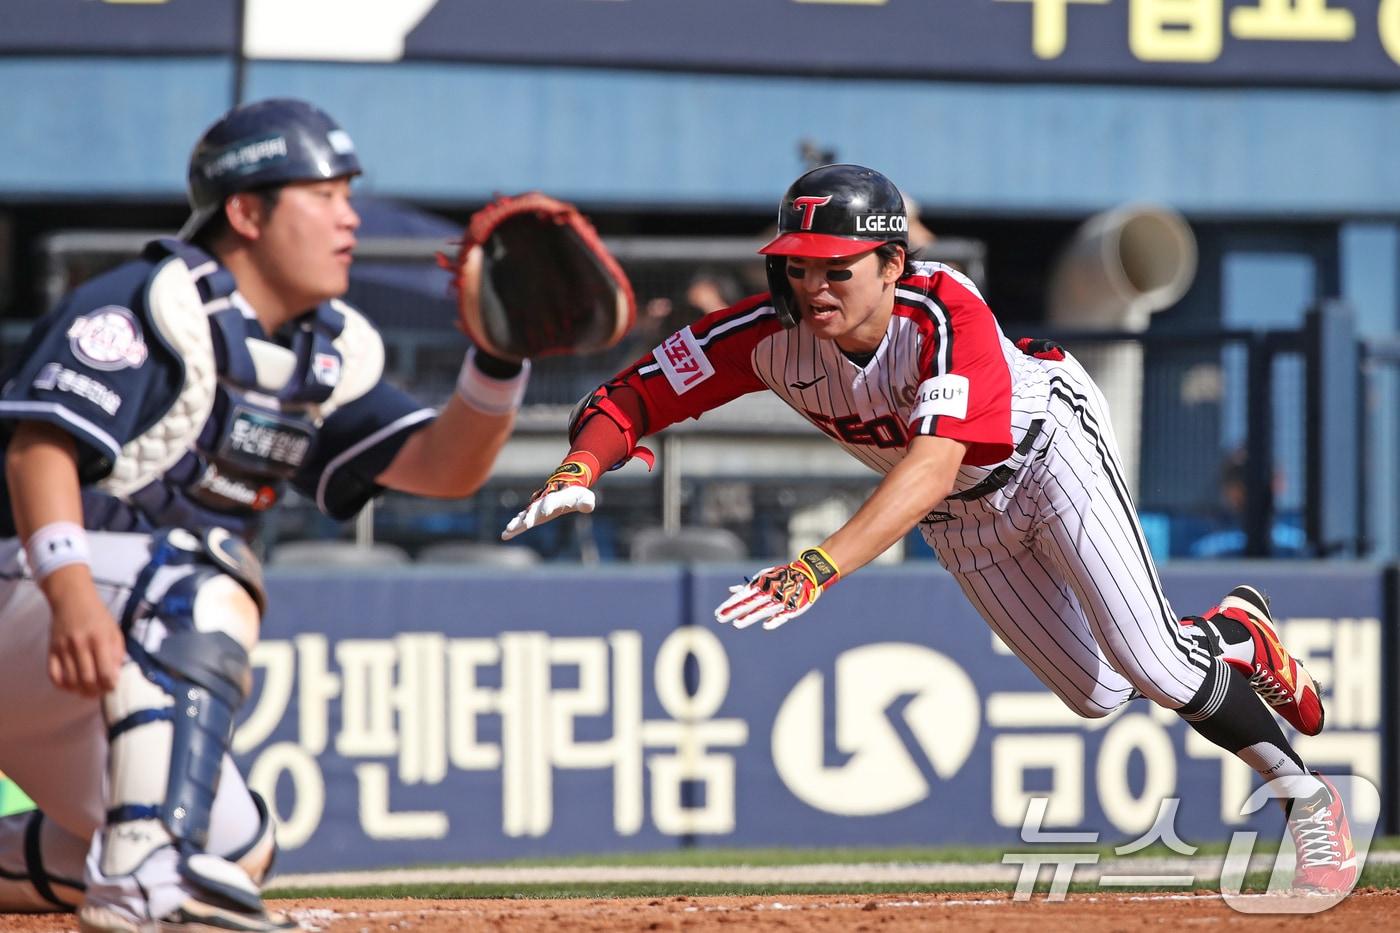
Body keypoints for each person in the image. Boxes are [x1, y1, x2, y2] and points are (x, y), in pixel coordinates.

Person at [502, 163, 1357, 894]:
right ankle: (1232, 638)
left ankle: (1306, 798)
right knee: (1098, 695)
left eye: (837, 268)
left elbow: (932, 461)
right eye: (798, 266)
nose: (813, 286)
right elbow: (635, 393)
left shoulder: (945, 311)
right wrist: (582, 465)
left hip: (1046, 453)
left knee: (1153, 662)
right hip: (956, 515)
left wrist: (816, 566)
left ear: (892, 262)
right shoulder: (770, 335)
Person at [0, 99, 533, 932]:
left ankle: (147, 860)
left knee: (234, 847)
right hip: (35, 596)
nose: (348, 216)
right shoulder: (150, 300)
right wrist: (69, 593)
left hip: (100, 647)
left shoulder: (321, 348)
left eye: (349, 194)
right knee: (207, 579)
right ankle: (144, 880)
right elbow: (38, 450)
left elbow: (442, 468)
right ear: (245, 211)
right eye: (323, 195)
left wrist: (498, 360)